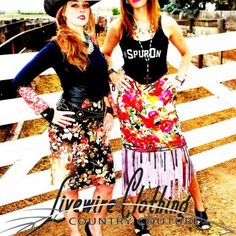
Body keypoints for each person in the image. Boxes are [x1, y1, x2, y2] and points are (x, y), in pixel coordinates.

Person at [101, 0, 210, 235]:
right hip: (132, 102)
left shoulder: (166, 23)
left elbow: (186, 53)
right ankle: (138, 216)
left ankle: (200, 206)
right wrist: (112, 74)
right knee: (134, 159)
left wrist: (179, 78)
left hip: (161, 100)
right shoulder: (119, 24)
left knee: (179, 154)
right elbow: (105, 54)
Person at [12, 0, 115, 235]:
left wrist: (110, 109)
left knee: (106, 183)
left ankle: (94, 228)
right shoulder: (57, 46)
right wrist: (48, 113)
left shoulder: (91, 40)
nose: (81, 10)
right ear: (63, 13)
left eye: (85, 5)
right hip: (69, 129)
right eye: (74, 5)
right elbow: (19, 81)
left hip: (96, 128)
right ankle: (75, 233)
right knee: (71, 187)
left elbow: (101, 80)